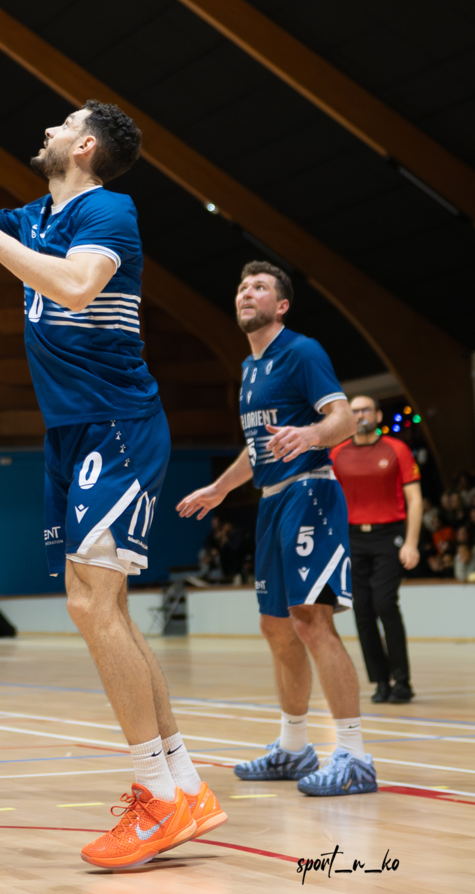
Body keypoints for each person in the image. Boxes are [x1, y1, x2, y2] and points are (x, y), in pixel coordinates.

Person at [0, 96, 226, 870]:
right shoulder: (37, 215)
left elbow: (75, 287)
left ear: (87, 146)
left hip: (116, 426)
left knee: (90, 605)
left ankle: (157, 799)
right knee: (108, 610)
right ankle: (183, 785)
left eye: (64, 124)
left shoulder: (109, 210)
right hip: (71, 433)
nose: (48, 130)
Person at [177, 263, 376, 797]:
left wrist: (310, 434)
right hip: (271, 502)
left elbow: (343, 419)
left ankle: (354, 756)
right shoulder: (249, 367)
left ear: (281, 305)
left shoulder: (302, 352)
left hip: (309, 492)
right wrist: (220, 488)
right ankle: (293, 748)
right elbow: (257, 448)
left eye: (260, 287)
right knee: (276, 626)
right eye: (242, 287)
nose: (247, 292)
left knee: (312, 620)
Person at [330, 395, 421, 703]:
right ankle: (381, 681)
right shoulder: (337, 453)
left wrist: (411, 542)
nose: (360, 415)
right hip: (352, 538)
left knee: (384, 603)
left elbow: (415, 499)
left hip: (388, 536)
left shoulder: (397, 449)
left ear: (378, 415)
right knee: (363, 610)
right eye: (354, 411)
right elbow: (330, 501)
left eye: (365, 409)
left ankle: (402, 681)